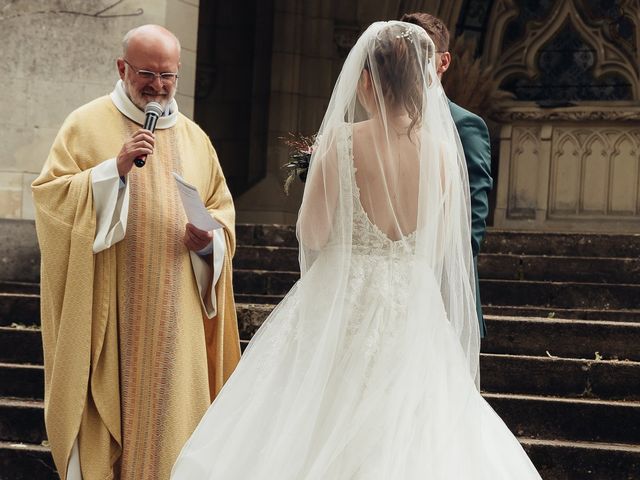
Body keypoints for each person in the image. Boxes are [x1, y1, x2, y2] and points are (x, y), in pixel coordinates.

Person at [171, 21, 540, 479]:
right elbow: (446, 243)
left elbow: (312, 233)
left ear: (366, 79)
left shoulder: (341, 141)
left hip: (340, 298)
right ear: (421, 79)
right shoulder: (444, 156)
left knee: (309, 414)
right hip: (412, 302)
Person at [32, 24, 241, 480]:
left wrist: (210, 243)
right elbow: (51, 199)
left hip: (177, 317)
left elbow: (221, 212)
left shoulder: (195, 138)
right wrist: (113, 171)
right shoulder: (85, 124)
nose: (158, 86)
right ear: (122, 67)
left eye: (169, 76)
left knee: (174, 439)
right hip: (111, 313)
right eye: (147, 73)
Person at [401, 12, 492, 337]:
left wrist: (431, 276)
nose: (412, 63)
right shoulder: (377, 123)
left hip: (442, 295)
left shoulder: (466, 126)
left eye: (422, 54)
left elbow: (473, 217)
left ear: (444, 61)